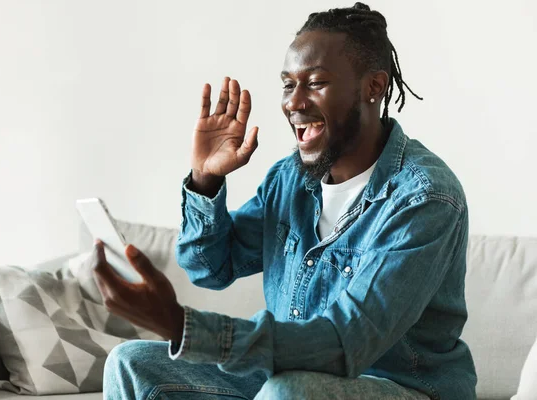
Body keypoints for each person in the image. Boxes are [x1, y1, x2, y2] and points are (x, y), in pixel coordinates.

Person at [92, 3, 477, 399]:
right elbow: (210, 267)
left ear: (373, 87)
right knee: (132, 363)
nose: (293, 103)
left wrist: (183, 326)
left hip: (401, 388)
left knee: (289, 390)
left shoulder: (425, 197)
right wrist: (205, 178)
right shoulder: (290, 178)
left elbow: (346, 342)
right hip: (291, 378)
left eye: (315, 82)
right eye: (288, 84)